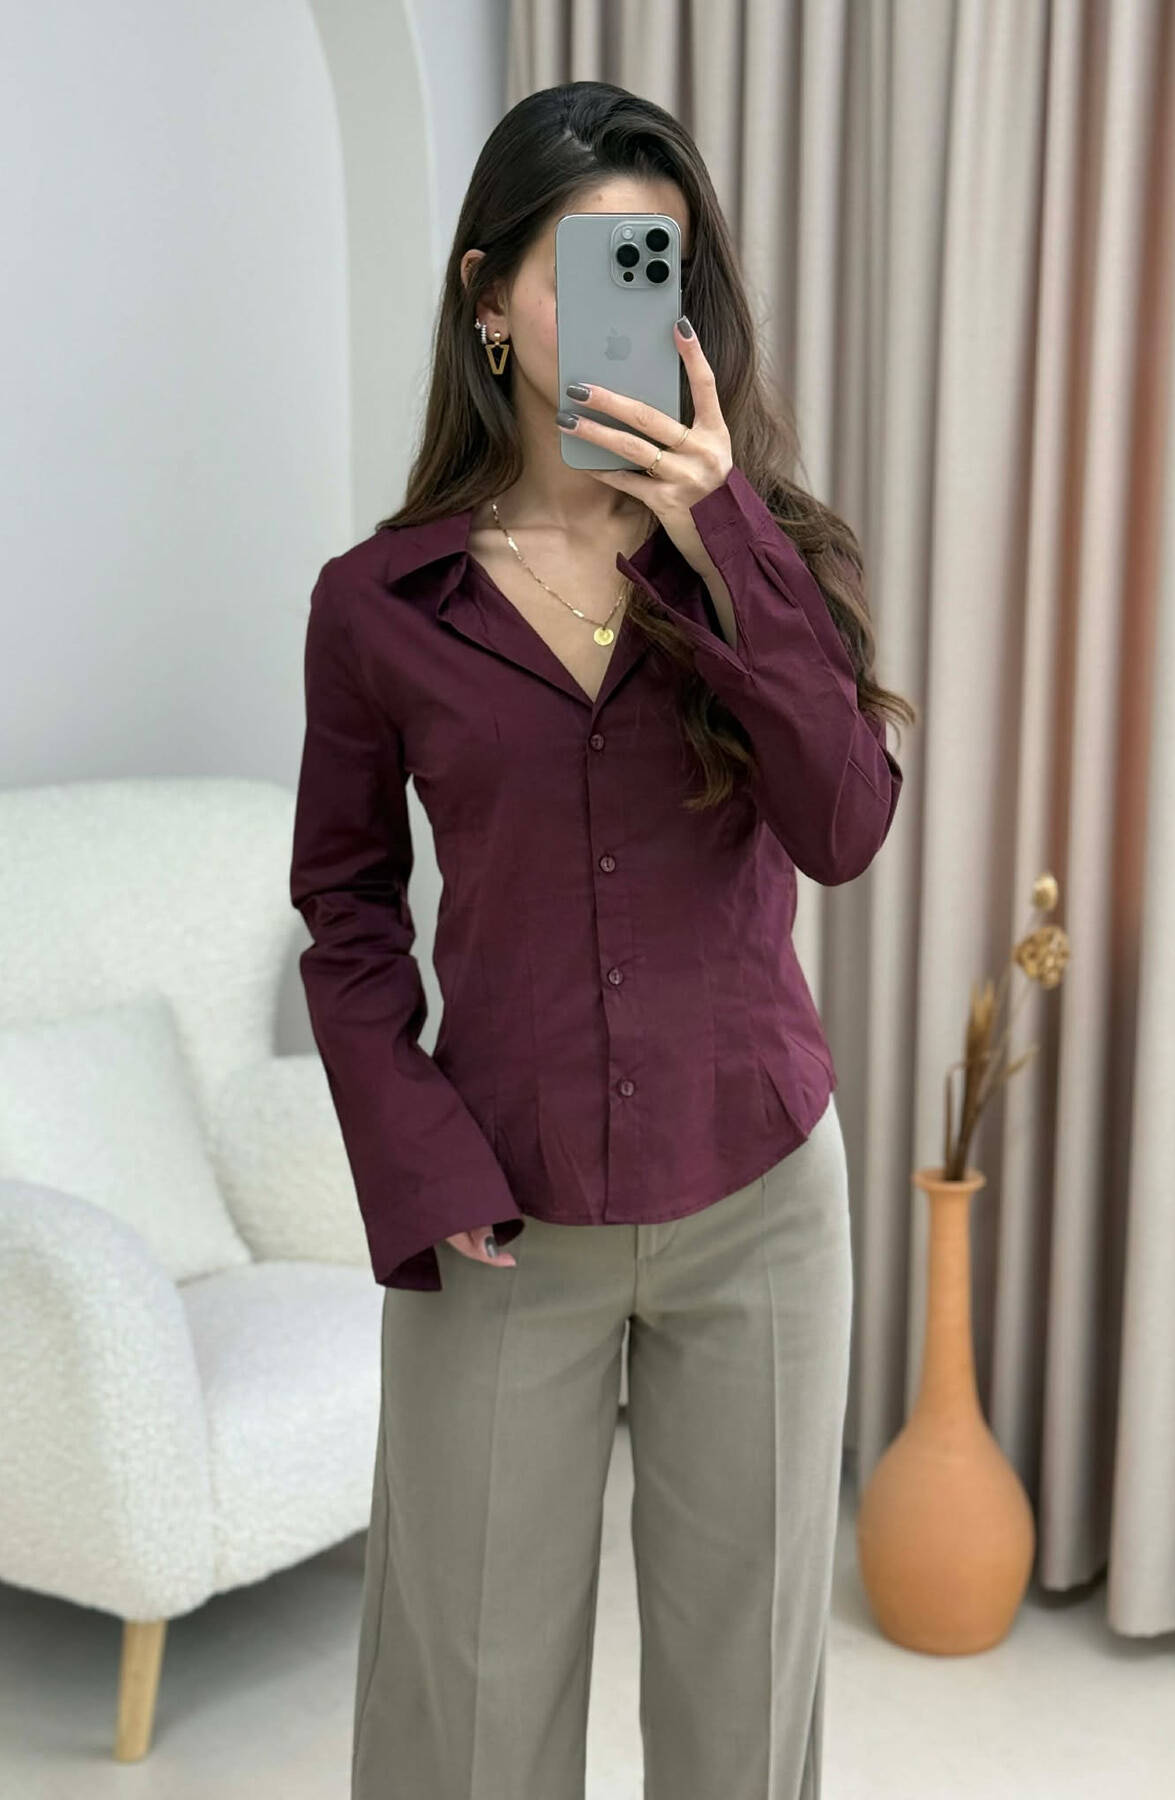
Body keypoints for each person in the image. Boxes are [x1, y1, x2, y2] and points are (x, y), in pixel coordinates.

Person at [289, 78, 910, 1800]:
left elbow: (848, 826)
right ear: (489, 299)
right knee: (466, 1726)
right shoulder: (377, 605)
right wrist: (414, 1154)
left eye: (660, 266)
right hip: (502, 1212)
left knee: (740, 1722)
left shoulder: (762, 557)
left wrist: (724, 542)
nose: (635, 304)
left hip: (759, 1202)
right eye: (587, 265)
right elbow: (345, 907)